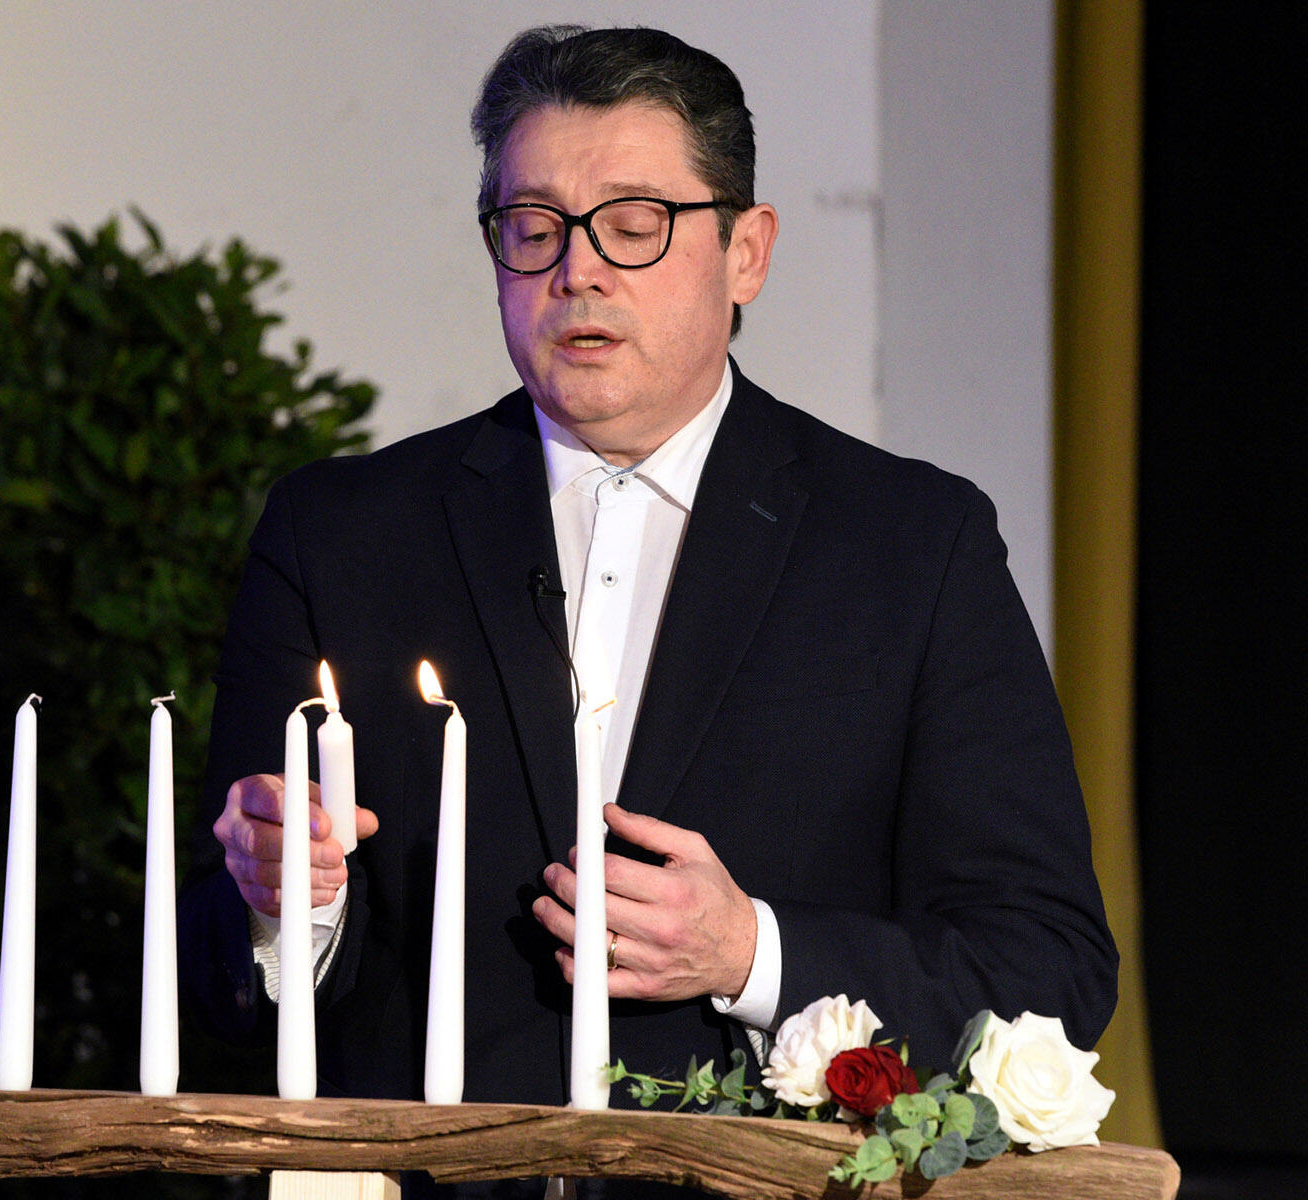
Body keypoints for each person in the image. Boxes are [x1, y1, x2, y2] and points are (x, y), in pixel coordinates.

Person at [179, 20, 1115, 1147]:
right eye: (533, 229)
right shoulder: (343, 534)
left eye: (633, 227)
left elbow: (1048, 968)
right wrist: (289, 907)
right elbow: (212, 977)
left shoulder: (913, 546)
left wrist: (752, 953)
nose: (576, 271)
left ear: (746, 251)